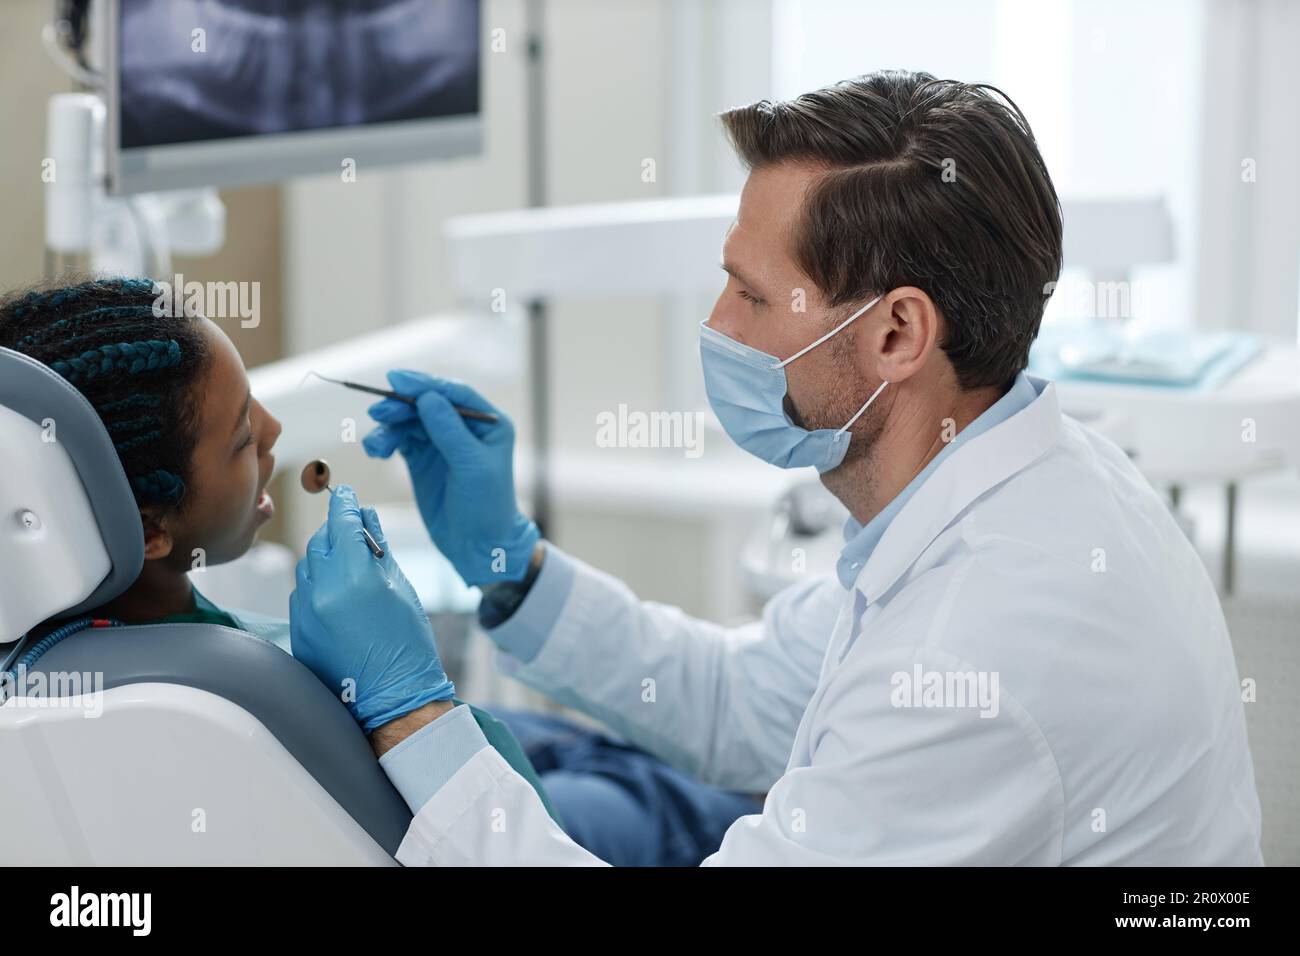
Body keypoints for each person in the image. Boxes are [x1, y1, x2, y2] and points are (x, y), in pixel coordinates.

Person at [293, 70, 1262, 866]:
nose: (717, 325)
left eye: (753, 295)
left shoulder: (979, 650)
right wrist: (508, 562)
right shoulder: (1010, 476)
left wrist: (412, 712)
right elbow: (736, 699)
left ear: (896, 332)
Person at [0, 276, 556, 821]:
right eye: (243, 435)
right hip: (521, 815)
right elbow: (522, 830)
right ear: (148, 530)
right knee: (632, 782)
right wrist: (411, 701)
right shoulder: (275, 686)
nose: (274, 428)